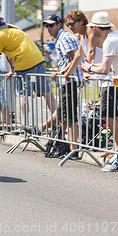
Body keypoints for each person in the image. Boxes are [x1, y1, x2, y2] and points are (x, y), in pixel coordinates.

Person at [0, 11, 57, 122]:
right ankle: (58, 120)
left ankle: (25, 125)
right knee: (45, 91)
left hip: (24, 64)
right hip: (38, 59)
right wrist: (11, 70)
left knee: (24, 95)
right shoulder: (11, 27)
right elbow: (9, 52)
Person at [22, 15, 83, 160]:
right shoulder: (61, 38)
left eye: (51, 25)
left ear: (59, 25)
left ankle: (73, 149)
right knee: (64, 114)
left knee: (68, 117)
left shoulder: (64, 38)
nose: (48, 28)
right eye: (46, 25)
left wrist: (62, 72)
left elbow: (76, 57)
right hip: (69, 80)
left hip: (70, 80)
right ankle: (70, 146)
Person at [79, 12, 118, 171]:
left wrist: (88, 67)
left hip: (115, 82)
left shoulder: (110, 41)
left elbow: (104, 69)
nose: (90, 30)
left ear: (96, 27)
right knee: (109, 114)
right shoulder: (115, 36)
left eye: (91, 27)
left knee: (107, 114)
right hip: (115, 81)